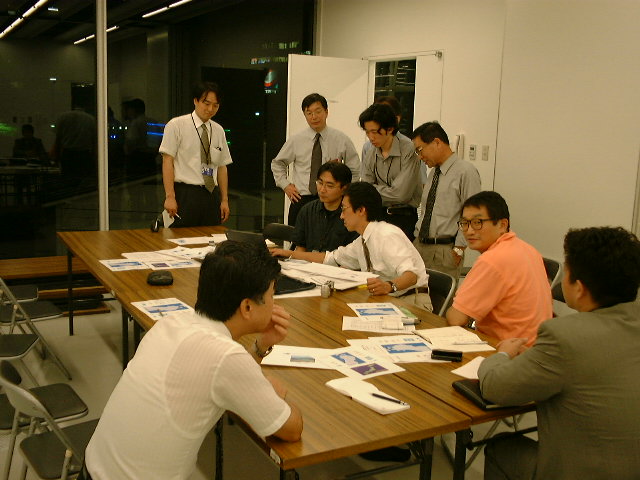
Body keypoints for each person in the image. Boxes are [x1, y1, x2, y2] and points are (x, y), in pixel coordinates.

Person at [85, 241, 303, 480]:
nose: (274, 304)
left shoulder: (172, 323)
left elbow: (227, 375)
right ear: (247, 307)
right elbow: (291, 429)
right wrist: (276, 396)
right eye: (272, 295)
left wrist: (261, 347)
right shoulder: (225, 357)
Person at [479, 226, 640, 480]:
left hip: (583, 472)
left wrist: (501, 355)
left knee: (502, 448)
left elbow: (495, 387)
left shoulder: (564, 336)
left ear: (580, 288)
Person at [285, 181, 432, 312]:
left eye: (344, 209)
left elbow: (411, 276)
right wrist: (286, 253)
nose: (341, 216)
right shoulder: (362, 241)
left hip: (412, 302)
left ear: (361, 210)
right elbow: (330, 258)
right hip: (388, 301)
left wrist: (389, 286)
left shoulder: (386, 235)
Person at [446, 191, 551, 345]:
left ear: (502, 225)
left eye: (477, 222)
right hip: (539, 347)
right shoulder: (528, 249)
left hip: (510, 350)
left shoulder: (493, 260)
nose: (469, 231)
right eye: (465, 223)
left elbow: (456, 318)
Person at [271, 92, 360, 226]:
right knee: (296, 237)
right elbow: (278, 163)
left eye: (318, 111)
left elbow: (355, 169)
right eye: (309, 113)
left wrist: (345, 193)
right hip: (301, 199)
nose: (314, 117)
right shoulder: (296, 140)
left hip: (332, 201)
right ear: (305, 115)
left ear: (326, 112)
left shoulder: (341, 139)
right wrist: (285, 185)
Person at [411, 122, 481, 279]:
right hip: (420, 246)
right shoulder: (433, 173)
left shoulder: (465, 172)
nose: (420, 157)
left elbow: (473, 214)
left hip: (444, 250)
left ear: (437, 142)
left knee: (440, 295)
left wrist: (459, 248)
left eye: (420, 150)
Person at [160, 82, 232, 227]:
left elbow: (222, 167)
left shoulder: (218, 130)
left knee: (212, 237)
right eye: (206, 103)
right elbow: (167, 161)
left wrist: (224, 199)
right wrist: (170, 196)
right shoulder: (176, 125)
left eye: (215, 105)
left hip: (211, 194)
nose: (210, 109)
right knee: (180, 237)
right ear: (195, 101)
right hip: (185, 194)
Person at [359, 103, 422, 241]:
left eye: (374, 132)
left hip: (403, 217)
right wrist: (387, 191)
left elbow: (401, 195)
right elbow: (364, 193)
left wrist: (374, 190)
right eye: (367, 132)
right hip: (377, 217)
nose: (371, 137)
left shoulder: (408, 150)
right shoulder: (371, 153)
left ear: (390, 129)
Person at [270, 161, 357, 256]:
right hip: (307, 263)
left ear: (344, 188)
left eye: (329, 186)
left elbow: (351, 256)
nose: (322, 190)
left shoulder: (352, 214)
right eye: (320, 183)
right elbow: (300, 248)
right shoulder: (307, 210)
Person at [51, 105, 96, 180]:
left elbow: (58, 138)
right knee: (83, 179)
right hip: (84, 154)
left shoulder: (63, 117)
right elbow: (94, 140)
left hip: (68, 154)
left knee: (68, 179)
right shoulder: (90, 119)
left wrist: (56, 156)